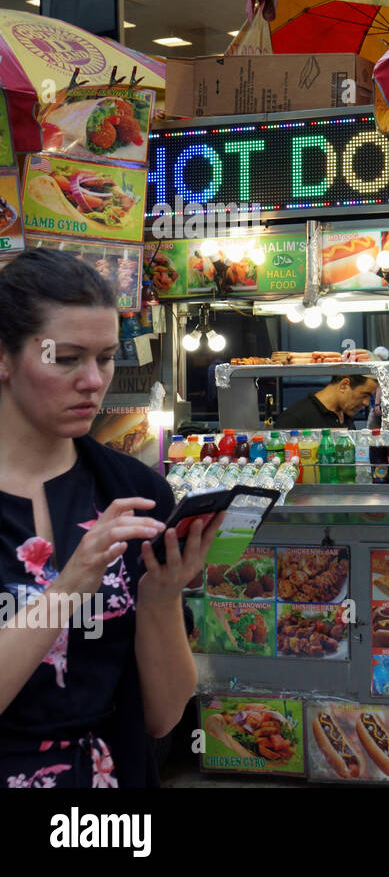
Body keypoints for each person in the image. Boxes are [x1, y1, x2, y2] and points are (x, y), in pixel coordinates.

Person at [0, 248, 222, 787]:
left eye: (104, 358)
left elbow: (163, 715)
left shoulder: (136, 493)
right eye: (67, 357)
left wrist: (163, 597)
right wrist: (70, 584)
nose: (93, 380)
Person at [277, 374, 377, 429]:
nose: (366, 403)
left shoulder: (345, 415)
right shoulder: (294, 419)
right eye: (365, 395)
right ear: (344, 385)